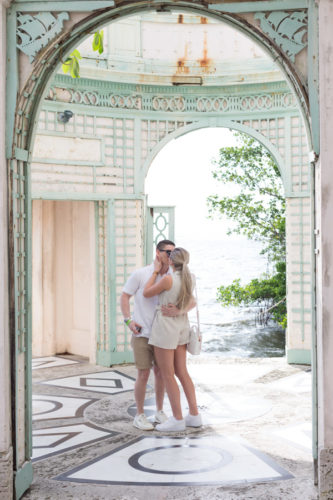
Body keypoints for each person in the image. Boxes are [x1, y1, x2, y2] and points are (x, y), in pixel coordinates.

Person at [120, 239, 178, 430]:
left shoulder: (173, 275)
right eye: (167, 252)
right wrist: (128, 320)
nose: (170, 256)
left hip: (163, 334)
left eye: (173, 252)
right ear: (157, 253)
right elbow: (125, 296)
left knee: (161, 373)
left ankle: (160, 411)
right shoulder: (141, 274)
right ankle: (140, 414)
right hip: (142, 332)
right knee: (143, 373)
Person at [143, 247, 202, 432]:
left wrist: (154, 271)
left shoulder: (168, 279)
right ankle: (194, 415)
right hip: (181, 326)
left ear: (170, 262)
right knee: (182, 372)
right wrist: (180, 310)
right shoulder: (189, 278)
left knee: (168, 374)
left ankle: (177, 419)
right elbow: (193, 302)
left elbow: (146, 293)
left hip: (166, 328)